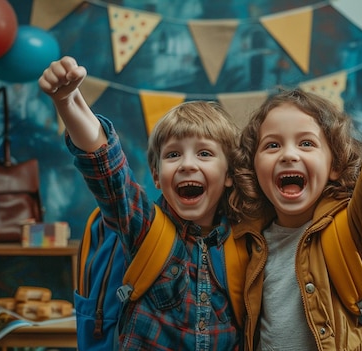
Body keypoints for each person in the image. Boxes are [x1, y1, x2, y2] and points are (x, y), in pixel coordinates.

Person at [228, 33, 362, 351]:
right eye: (272, 145)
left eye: (306, 143)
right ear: (254, 168)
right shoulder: (247, 241)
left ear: (334, 166)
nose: (289, 155)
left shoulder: (355, 226)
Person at [38, 57, 243, 350]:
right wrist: (68, 100)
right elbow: (107, 169)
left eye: (204, 154)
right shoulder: (145, 227)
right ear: (157, 177)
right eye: (173, 155)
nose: (187, 164)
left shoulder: (244, 240)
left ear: (229, 175)